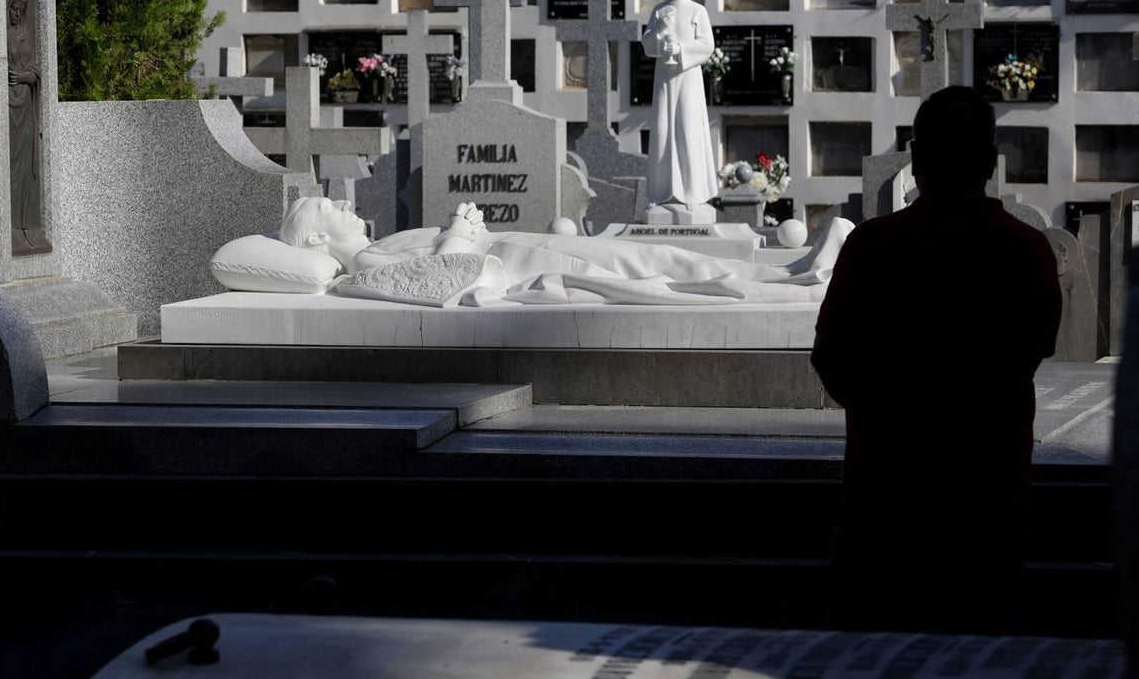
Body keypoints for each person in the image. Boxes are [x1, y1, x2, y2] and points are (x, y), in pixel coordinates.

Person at [811, 86, 1062, 634]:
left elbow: (830, 354)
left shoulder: (873, 247)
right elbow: (1038, 344)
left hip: (887, 495)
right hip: (989, 493)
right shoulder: (1025, 249)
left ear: (916, 163)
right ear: (990, 164)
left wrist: (888, 409)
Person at [278, 197, 853, 306]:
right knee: (657, 266)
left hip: (528, 247)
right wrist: (460, 229)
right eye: (329, 209)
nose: (343, 206)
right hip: (535, 264)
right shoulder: (363, 266)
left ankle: (794, 273)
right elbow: (439, 278)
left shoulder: (379, 243)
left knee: (663, 261)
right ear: (315, 240)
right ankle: (797, 280)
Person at [641, 0, 717, 218]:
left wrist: (682, 50)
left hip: (687, 78)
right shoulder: (659, 11)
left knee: (688, 129)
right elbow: (647, 44)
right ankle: (660, 193)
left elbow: (707, 45)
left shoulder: (698, 11)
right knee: (663, 130)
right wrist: (660, 36)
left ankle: (692, 192)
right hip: (665, 78)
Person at [7, 0, 47, 254]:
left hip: (26, 106)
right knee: (11, 168)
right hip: (9, 109)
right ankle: (11, 227)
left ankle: (28, 225)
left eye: (21, 10)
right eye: (13, 8)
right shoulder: (2, 35)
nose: (17, 13)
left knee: (25, 171)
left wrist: (23, 77)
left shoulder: (26, 37)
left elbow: (35, 73)